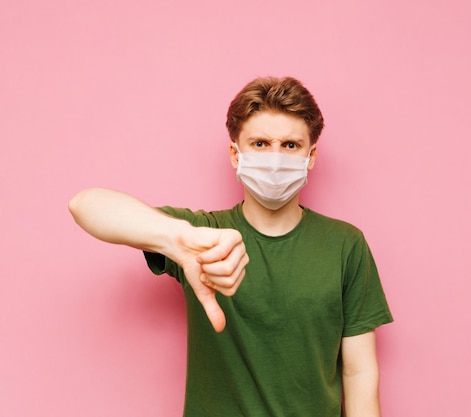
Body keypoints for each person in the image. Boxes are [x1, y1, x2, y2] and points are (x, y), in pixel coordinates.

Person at [69, 76, 393, 417]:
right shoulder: (201, 235)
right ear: (235, 154)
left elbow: (359, 371)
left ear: (310, 156)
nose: (275, 158)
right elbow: (86, 205)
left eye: (290, 145)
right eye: (260, 143)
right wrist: (176, 240)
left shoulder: (345, 244)